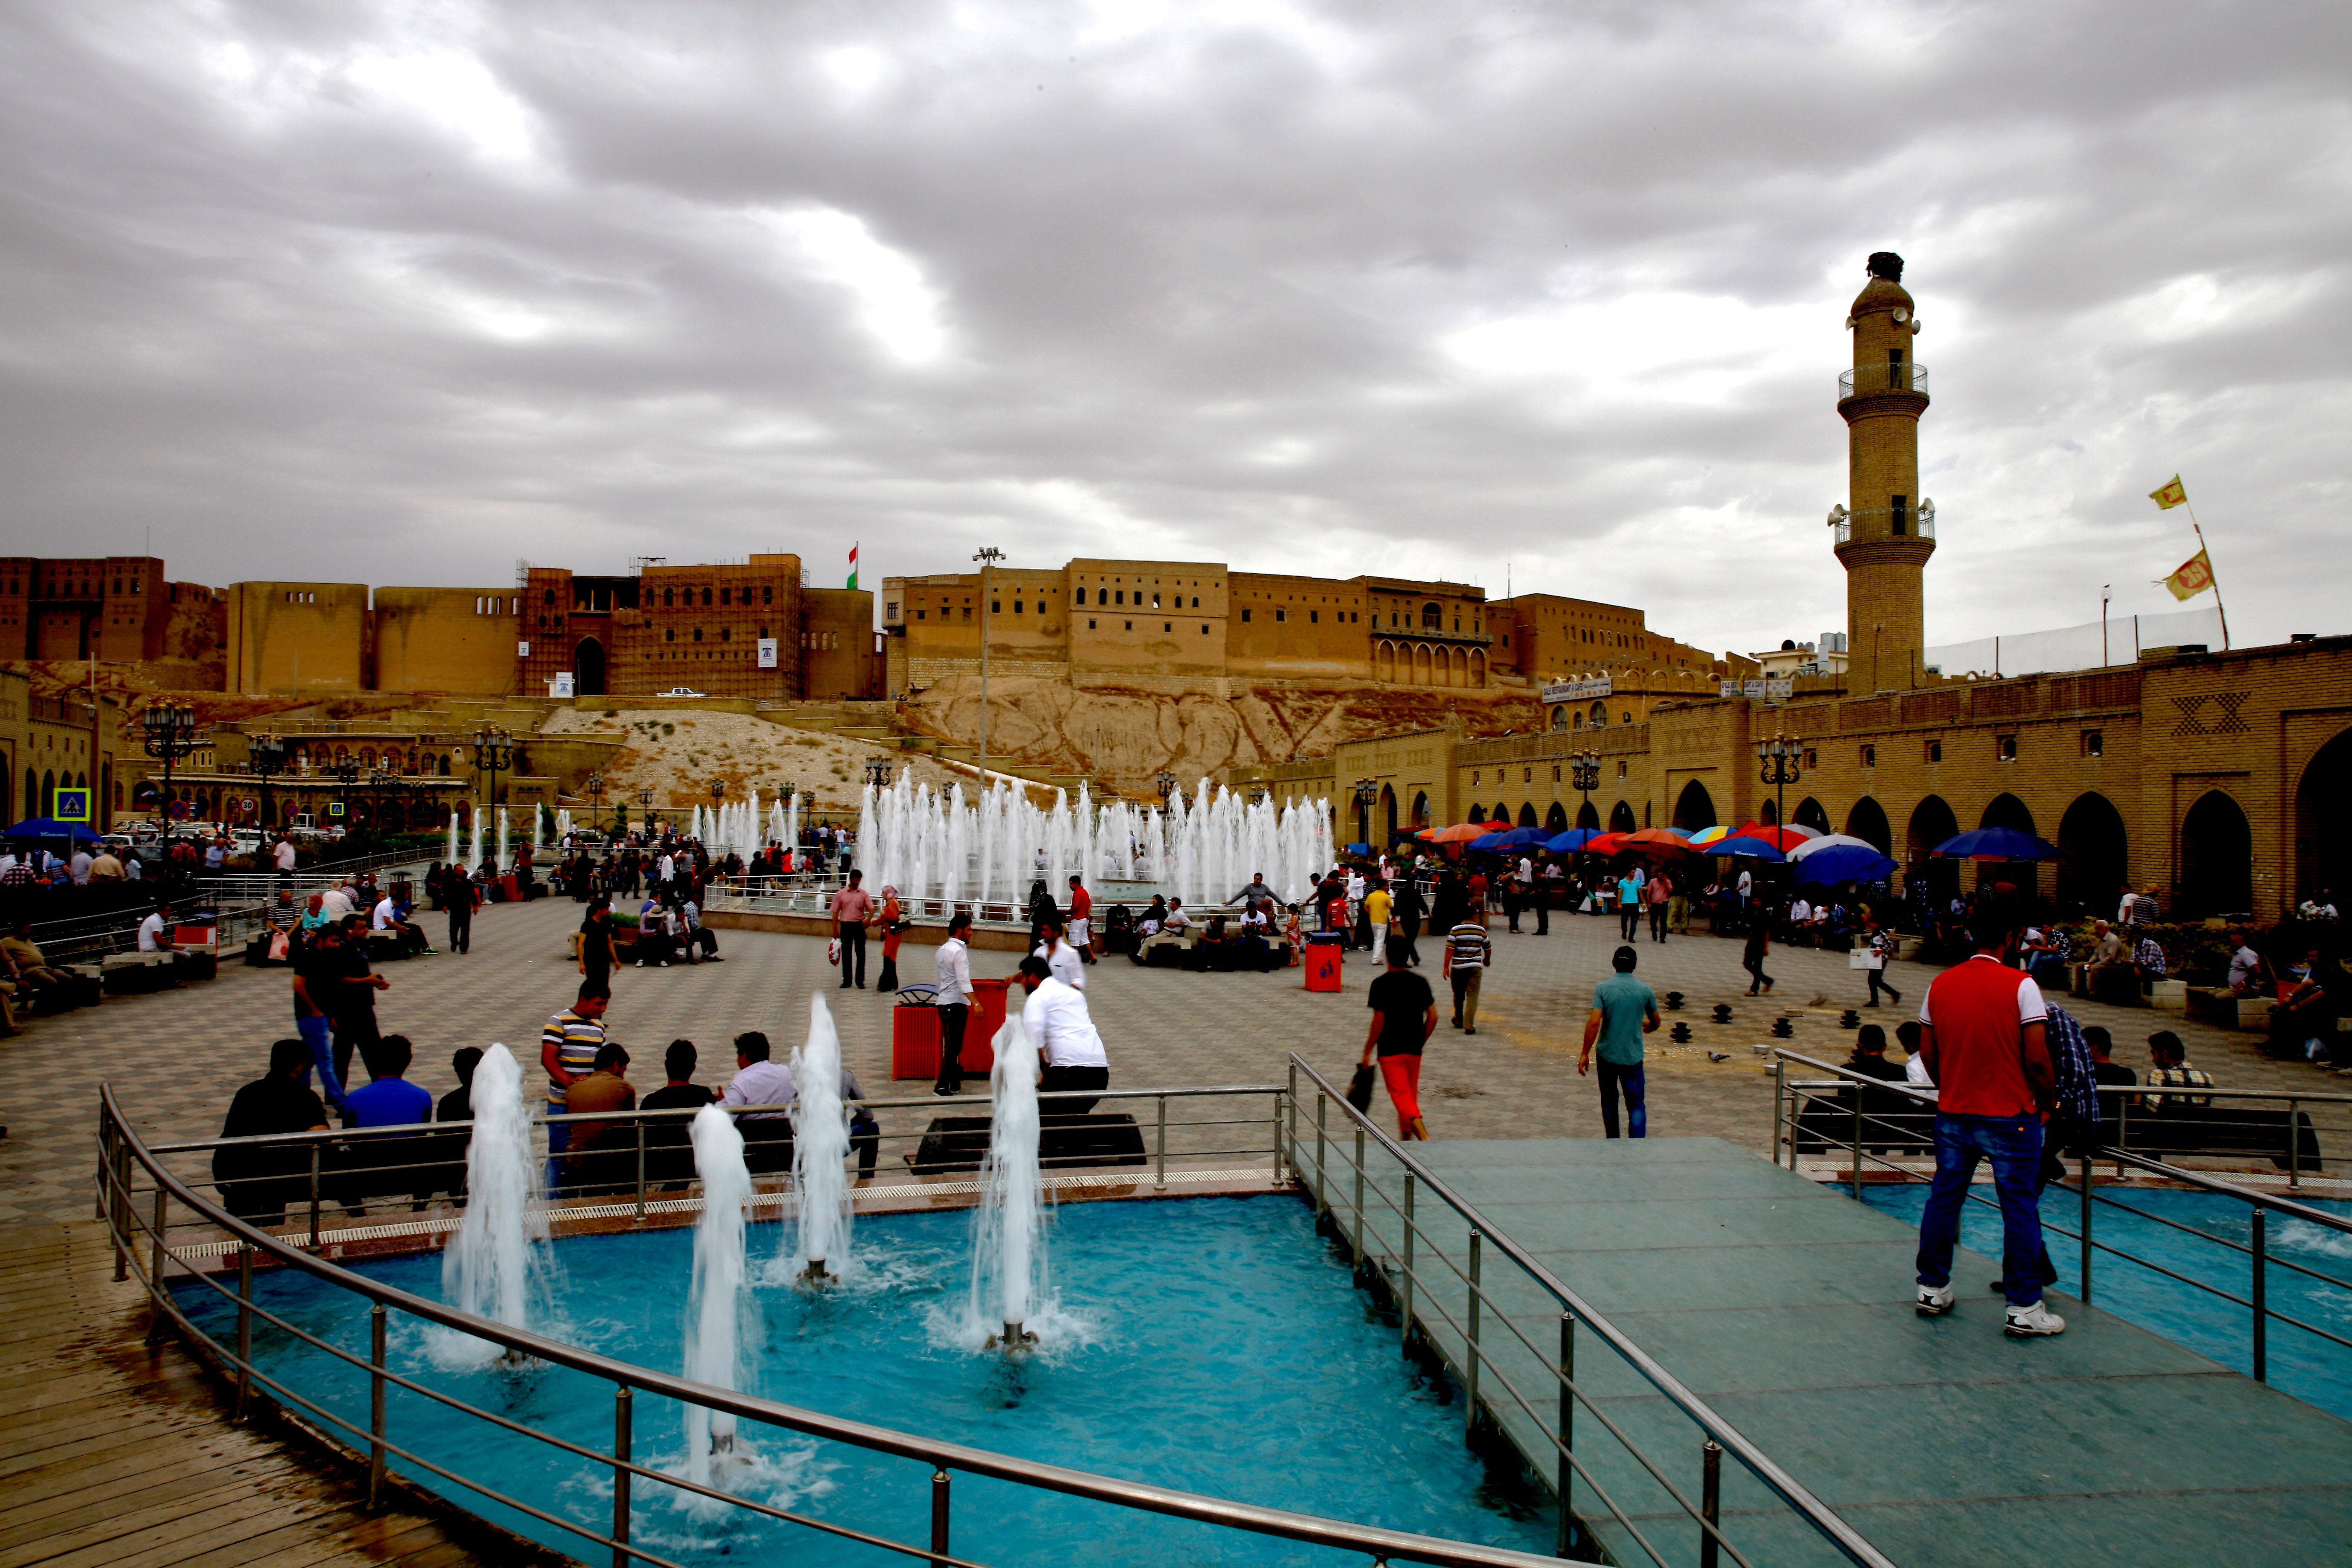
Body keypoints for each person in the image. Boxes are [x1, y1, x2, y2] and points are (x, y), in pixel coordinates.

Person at [1911, 903, 2066, 1338]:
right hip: (2011, 1114)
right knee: (2018, 1207)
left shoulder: (1939, 985)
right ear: (2012, 938)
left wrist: (1951, 1087)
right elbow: (2037, 1057)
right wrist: (2048, 1100)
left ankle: (1932, 1287)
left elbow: (1928, 1053)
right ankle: (2024, 1305)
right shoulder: (2023, 985)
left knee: (1944, 1199)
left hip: (1955, 1110)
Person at [212, 1039, 331, 1225]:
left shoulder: (246, 1093)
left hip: (239, 1173)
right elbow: (322, 1135)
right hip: (281, 1178)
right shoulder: (305, 1098)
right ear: (299, 1067)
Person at [336, 1034, 436, 1213]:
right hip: (411, 1172)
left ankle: (359, 1216)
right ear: (408, 1061)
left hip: (366, 1173)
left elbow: (348, 1139)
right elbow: (420, 1136)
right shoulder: (422, 1096)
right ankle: (418, 1210)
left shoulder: (354, 1098)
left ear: (376, 1060)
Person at [1578, 944, 1659, 1139]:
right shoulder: (1645, 991)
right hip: (1633, 1057)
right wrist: (1649, 1026)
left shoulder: (1603, 989)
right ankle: (1637, 1143)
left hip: (1607, 1056)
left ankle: (1613, 1141)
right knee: (1636, 1104)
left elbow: (1594, 1024)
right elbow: (1656, 1020)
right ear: (1635, 966)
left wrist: (1584, 1053)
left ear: (1613, 963)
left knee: (1609, 1100)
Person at [1360, 942, 1437, 1140]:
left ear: (1387, 956)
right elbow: (1434, 1016)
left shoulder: (1380, 984)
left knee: (1402, 1097)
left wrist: (1368, 1050)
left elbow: (1379, 1020)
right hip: (1414, 1049)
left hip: (1390, 1050)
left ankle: (1425, 1141)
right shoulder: (1420, 982)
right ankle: (1406, 1143)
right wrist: (1421, 1040)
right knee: (1409, 1096)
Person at [1017, 954, 1110, 1114]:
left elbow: (1032, 1036)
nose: (1022, 984)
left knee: (1044, 1121)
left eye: (1023, 979)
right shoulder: (1074, 993)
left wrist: (1042, 1066)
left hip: (1068, 1072)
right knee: (1073, 1120)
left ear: (1032, 977)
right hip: (1099, 1072)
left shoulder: (1038, 996)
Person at [540, 985, 611, 1179]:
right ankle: (552, 1205)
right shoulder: (559, 1022)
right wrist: (573, 1085)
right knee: (559, 1155)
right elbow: (548, 1060)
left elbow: (601, 1065)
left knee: (584, 1157)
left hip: (587, 1106)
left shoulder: (599, 1028)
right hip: (561, 1103)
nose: (603, 1009)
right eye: (599, 1003)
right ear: (583, 999)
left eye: (606, 1004)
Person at [640, 1039, 720, 1186]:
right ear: (694, 1068)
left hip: (658, 1169)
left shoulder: (650, 1101)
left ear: (666, 1065)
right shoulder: (704, 1095)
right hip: (694, 1167)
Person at [325, 915, 391, 1086]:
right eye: (361, 927)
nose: (366, 930)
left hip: (364, 1007)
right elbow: (340, 979)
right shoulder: (340, 950)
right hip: (346, 1010)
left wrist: (375, 980)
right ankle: (335, 1094)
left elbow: (360, 973)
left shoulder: (359, 946)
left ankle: (380, 1086)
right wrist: (368, 981)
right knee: (342, 1055)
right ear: (349, 930)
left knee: (374, 1052)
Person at [563, 1042, 637, 1192]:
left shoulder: (572, 1090)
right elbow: (629, 1128)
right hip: (609, 1164)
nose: (623, 1075)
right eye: (624, 1070)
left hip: (577, 1162)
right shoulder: (625, 1088)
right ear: (616, 1066)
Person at [724, 1030, 797, 1172]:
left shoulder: (741, 1083)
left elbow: (724, 1119)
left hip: (749, 1148)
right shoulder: (786, 1073)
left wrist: (722, 1102)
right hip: (786, 1145)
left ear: (744, 1056)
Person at [935, 910, 976, 1096]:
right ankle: (941, 1086)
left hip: (943, 1003)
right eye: (969, 929)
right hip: (955, 1003)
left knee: (952, 1046)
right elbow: (963, 982)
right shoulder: (959, 952)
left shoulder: (942, 949)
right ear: (959, 931)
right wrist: (976, 1003)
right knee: (954, 1047)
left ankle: (954, 1084)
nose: (971, 932)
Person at [1443, 902, 1491, 1035]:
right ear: (1474, 916)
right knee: (1472, 996)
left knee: (1458, 995)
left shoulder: (1455, 930)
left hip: (1458, 967)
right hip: (1475, 967)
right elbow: (1488, 947)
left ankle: (1459, 1020)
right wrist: (1487, 959)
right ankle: (1469, 1026)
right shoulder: (1481, 930)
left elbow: (1449, 950)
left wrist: (1446, 967)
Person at [2143, 1031, 2214, 1110]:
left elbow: (2152, 1108)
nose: (2153, 1060)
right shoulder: (2207, 1077)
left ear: (2165, 1054)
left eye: (2154, 1054)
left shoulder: (2159, 1075)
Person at [832, 870, 874, 989]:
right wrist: (835, 929)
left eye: (860, 880)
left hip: (859, 926)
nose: (858, 882)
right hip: (845, 926)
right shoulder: (841, 894)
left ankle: (860, 981)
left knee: (861, 953)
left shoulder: (864, 894)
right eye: (856, 880)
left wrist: (868, 921)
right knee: (846, 954)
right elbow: (835, 913)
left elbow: (871, 909)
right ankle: (847, 981)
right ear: (851, 880)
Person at [1859, 915, 1902, 1008]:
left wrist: (1881, 951)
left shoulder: (1881, 934)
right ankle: (1878, 999)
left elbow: (1889, 945)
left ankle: (1881, 999)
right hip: (1874, 959)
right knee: (1873, 980)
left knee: (1875, 980)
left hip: (1881, 959)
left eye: (1873, 923)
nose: (1871, 925)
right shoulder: (1874, 933)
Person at [1034, 912, 1084, 989]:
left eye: (1046, 931)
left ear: (1055, 933)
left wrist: (1064, 992)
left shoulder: (1070, 954)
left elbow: (1079, 980)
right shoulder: (1039, 953)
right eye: (1042, 930)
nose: (1042, 933)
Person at [1390, 871, 1426, 967]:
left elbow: (1397, 906)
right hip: (1415, 918)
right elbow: (1421, 904)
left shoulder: (1400, 893)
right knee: (1410, 940)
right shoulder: (1416, 893)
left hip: (1405, 919)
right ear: (1414, 883)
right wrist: (1427, 912)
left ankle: (1415, 958)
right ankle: (1406, 960)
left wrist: (1394, 917)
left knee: (1409, 939)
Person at [1362, 875, 1392, 969]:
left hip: (1373, 921)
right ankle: (1376, 959)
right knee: (1380, 940)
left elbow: (1366, 906)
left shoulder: (1372, 896)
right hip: (1382, 921)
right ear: (1383, 887)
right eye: (1386, 886)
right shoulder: (1386, 896)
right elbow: (1392, 907)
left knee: (1377, 940)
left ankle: (1378, 958)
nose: (1387, 887)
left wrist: (1371, 914)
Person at [446, 863, 475, 955]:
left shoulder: (468, 883)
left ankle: (464, 948)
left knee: (465, 930)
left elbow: (472, 895)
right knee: (453, 929)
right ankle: (454, 942)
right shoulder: (450, 882)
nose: (461, 872)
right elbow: (446, 895)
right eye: (459, 871)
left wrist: (476, 905)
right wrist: (445, 905)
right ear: (455, 871)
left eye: (462, 870)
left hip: (465, 909)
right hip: (455, 909)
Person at [1742, 913, 1774, 997]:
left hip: (1760, 943)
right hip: (1751, 942)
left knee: (1757, 966)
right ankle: (1767, 980)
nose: (1755, 903)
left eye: (1757, 901)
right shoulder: (1753, 912)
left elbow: (1767, 932)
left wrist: (1766, 947)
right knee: (1747, 964)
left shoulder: (1765, 915)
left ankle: (1754, 990)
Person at [1067, 874, 1094, 963]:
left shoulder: (1077, 893)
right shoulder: (1085, 892)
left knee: (1075, 940)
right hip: (1084, 919)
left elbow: (1076, 907)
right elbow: (1090, 904)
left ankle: (1074, 961)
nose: (1070, 886)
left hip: (1078, 919)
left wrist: (1067, 913)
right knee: (1085, 939)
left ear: (1076, 884)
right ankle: (1093, 957)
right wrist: (1087, 913)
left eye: (1071, 884)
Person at [1616, 869, 1641, 943]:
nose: (1634, 874)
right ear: (1629, 873)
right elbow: (1620, 894)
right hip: (1625, 904)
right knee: (1624, 920)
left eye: (1634, 873)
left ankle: (1631, 937)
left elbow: (1640, 893)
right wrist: (1619, 903)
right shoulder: (1622, 882)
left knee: (1634, 921)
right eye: (1633, 873)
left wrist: (1644, 903)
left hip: (1635, 903)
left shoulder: (1637, 883)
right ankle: (1624, 931)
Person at [1646, 872, 1671, 944]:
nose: (1660, 876)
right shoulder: (1653, 881)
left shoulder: (1668, 881)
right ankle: (1654, 931)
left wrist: (1666, 881)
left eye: (1662, 874)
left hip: (1664, 903)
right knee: (1653, 921)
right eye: (1659, 874)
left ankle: (1662, 938)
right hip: (1655, 904)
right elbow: (1649, 892)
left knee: (1663, 922)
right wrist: (1648, 903)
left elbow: (1670, 890)